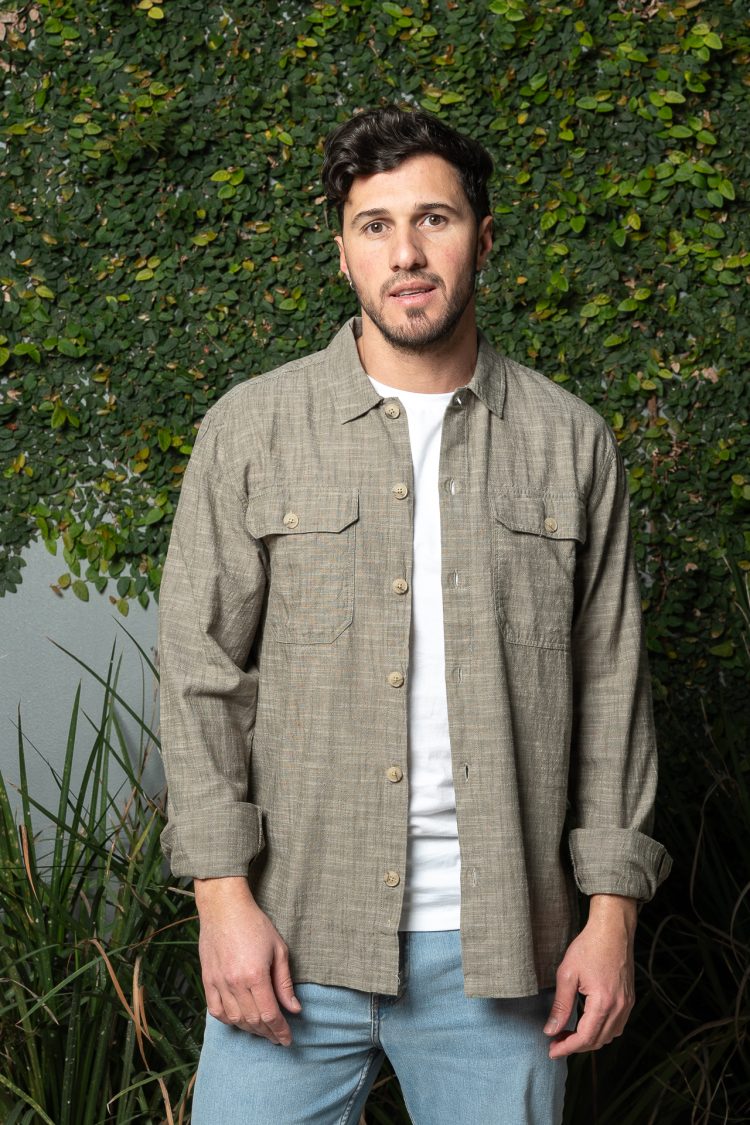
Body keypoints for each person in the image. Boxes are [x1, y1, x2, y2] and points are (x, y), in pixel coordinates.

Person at [158, 105, 672, 1124]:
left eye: (434, 219)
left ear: (484, 237)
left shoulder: (571, 442)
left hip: (501, 955)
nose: (406, 253)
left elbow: (613, 687)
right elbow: (200, 673)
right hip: (291, 935)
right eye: (375, 225)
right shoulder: (252, 428)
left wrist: (611, 916)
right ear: (343, 251)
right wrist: (222, 902)